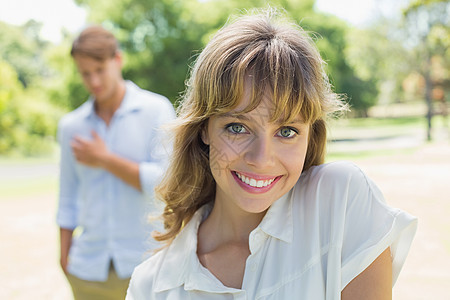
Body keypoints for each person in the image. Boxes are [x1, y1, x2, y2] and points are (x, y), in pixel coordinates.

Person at [126, 8, 417, 299]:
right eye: (237, 128)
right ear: (204, 128)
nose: (261, 158)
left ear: (309, 136)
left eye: (287, 131)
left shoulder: (341, 201)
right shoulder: (152, 286)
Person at [56, 25, 175, 300]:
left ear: (118, 60)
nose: (94, 81)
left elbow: (167, 184)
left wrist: (105, 159)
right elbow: (67, 196)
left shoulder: (156, 110)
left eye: (100, 70)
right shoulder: (71, 127)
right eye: (85, 74)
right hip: (87, 270)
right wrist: (64, 259)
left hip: (145, 263)